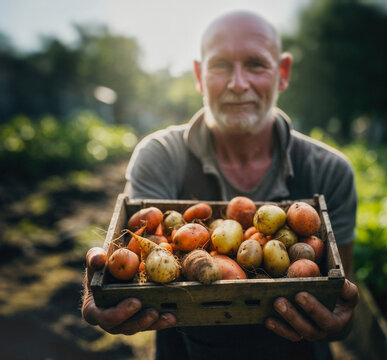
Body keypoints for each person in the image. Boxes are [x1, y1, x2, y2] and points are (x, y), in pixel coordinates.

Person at [82, 10, 359, 360]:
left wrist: (341, 322)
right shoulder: (161, 156)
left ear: (283, 73)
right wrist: (104, 292)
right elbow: (136, 260)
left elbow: (344, 296)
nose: (238, 83)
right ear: (199, 75)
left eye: (256, 64)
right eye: (221, 65)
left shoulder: (330, 170)